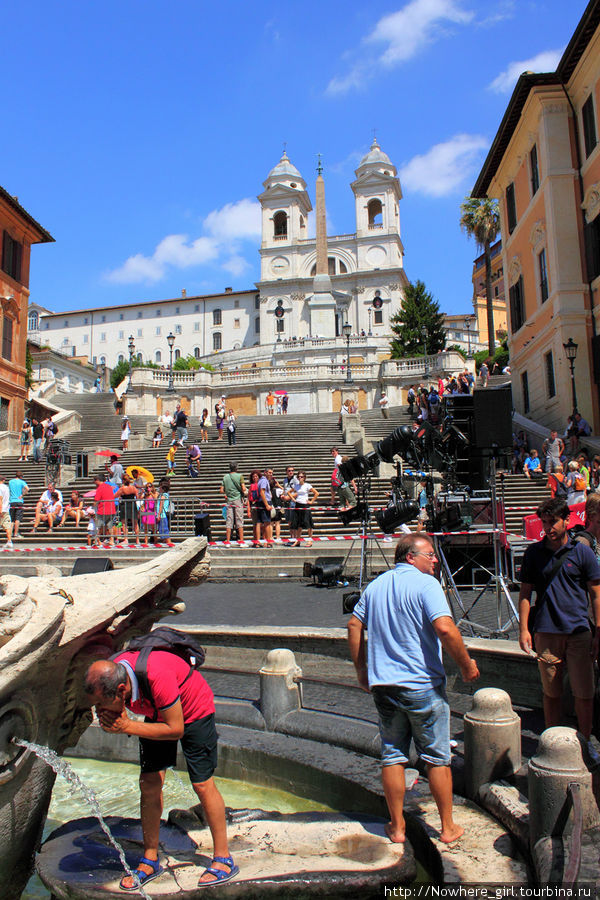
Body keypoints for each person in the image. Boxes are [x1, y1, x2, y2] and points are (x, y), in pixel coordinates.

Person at [347, 533, 479, 844]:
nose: (435, 560)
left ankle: (397, 827)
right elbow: (445, 627)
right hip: (422, 685)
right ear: (411, 556)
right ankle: (447, 828)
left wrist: (361, 670)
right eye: (430, 554)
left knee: (393, 756)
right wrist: (466, 664)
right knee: (436, 757)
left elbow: (354, 625)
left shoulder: (376, 585)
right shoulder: (426, 584)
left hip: (384, 686)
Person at [83, 652, 237, 890]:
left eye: (101, 704)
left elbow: (175, 729)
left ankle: (223, 859)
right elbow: (138, 711)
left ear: (122, 690)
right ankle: (150, 859)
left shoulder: (157, 676)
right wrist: (119, 716)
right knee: (149, 782)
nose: (98, 710)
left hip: (194, 711)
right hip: (156, 711)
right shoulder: (115, 670)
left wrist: (126, 725)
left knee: (202, 784)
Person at [518, 497, 600, 739]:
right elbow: (525, 593)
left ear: (566, 520)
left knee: (584, 693)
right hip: (546, 631)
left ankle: (585, 741)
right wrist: (524, 629)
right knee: (551, 692)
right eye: (544, 523)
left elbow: (596, 593)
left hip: (578, 632)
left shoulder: (582, 552)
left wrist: (598, 630)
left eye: (552, 522)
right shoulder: (533, 553)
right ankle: (551, 741)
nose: (547, 528)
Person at [288, 470, 318, 547]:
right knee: (298, 524)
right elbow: (289, 492)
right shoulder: (297, 486)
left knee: (308, 523)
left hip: (305, 505)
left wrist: (311, 501)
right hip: (298, 505)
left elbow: (316, 493)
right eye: (298, 477)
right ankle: (298, 540)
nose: (300, 478)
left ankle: (310, 540)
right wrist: (293, 499)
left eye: (301, 477)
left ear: (304, 477)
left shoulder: (307, 485)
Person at [220, 462, 246, 544]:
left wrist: (228, 492)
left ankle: (228, 541)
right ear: (236, 468)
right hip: (237, 499)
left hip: (229, 500)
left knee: (229, 521)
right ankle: (241, 540)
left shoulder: (225, 477)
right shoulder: (240, 476)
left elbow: (221, 490)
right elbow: (243, 488)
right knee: (239, 520)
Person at [115, 475, 140, 546]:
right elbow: (137, 497)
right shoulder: (133, 488)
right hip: (132, 504)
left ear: (123, 480)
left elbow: (115, 496)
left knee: (124, 523)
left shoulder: (122, 488)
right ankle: (137, 540)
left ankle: (126, 539)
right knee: (135, 523)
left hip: (124, 505)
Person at [93, 474, 116, 547]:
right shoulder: (109, 487)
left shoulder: (100, 488)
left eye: (95, 481)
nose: (94, 483)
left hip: (103, 509)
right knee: (110, 526)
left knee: (99, 526)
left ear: (98, 480)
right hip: (112, 509)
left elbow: (96, 500)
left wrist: (92, 507)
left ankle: (97, 540)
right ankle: (111, 540)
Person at [8, 471, 29, 540]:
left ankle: (10, 533)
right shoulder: (22, 482)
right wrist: (22, 495)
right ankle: (15, 533)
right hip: (19, 501)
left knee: (11, 519)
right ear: (21, 476)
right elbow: (27, 489)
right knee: (17, 518)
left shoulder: (10, 482)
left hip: (12, 501)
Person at [257, 468, 273, 545]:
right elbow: (262, 492)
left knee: (261, 522)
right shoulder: (264, 481)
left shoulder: (261, 480)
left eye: (272, 473)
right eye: (269, 472)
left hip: (262, 502)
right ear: (265, 473)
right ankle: (268, 541)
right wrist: (266, 504)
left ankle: (264, 541)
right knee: (267, 523)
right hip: (264, 502)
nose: (271, 474)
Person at [157, 478, 174, 546]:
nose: (159, 489)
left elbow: (161, 505)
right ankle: (166, 542)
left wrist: (158, 514)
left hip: (162, 514)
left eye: (160, 488)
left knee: (164, 529)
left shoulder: (163, 496)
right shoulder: (164, 495)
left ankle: (169, 542)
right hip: (162, 514)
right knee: (162, 529)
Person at [246, 469, 262, 544]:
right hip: (254, 506)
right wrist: (248, 510)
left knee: (262, 524)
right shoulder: (251, 486)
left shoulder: (261, 485)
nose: (255, 478)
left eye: (256, 476)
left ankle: (263, 540)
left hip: (261, 505)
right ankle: (255, 540)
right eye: (253, 477)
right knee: (255, 524)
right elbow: (248, 499)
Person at [0, 475, 12, 549]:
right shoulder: (6, 487)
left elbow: (0, 499)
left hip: (1, 509)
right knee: (7, 526)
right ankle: (9, 541)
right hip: (6, 508)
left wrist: (0, 509)